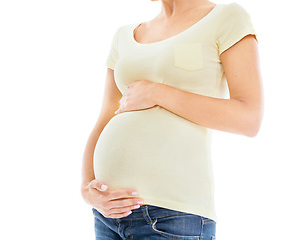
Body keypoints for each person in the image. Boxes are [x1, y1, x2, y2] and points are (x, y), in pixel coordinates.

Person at [81, 0, 263, 239]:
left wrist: (158, 93)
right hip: (108, 214)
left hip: (173, 215)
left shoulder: (226, 17)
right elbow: (105, 117)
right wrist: (87, 188)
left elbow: (248, 118)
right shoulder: (123, 36)